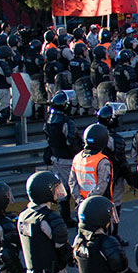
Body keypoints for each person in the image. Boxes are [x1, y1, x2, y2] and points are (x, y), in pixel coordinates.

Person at [43, 91, 81, 226]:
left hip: (56, 159)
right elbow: (72, 141)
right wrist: (79, 154)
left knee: (62, 191)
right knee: (76, 189)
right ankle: (79, 217)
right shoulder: (66, 122)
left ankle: (65, 218)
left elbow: (48, 139)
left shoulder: (49, 120)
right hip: (69, 160)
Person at [70, 123, 113, 203]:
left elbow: (72, 183)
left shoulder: (77, 158)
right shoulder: (102, 161)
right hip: (99, 204)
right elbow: (101, 187)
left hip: (81, 204)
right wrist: (88, 201)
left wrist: (79, 200)